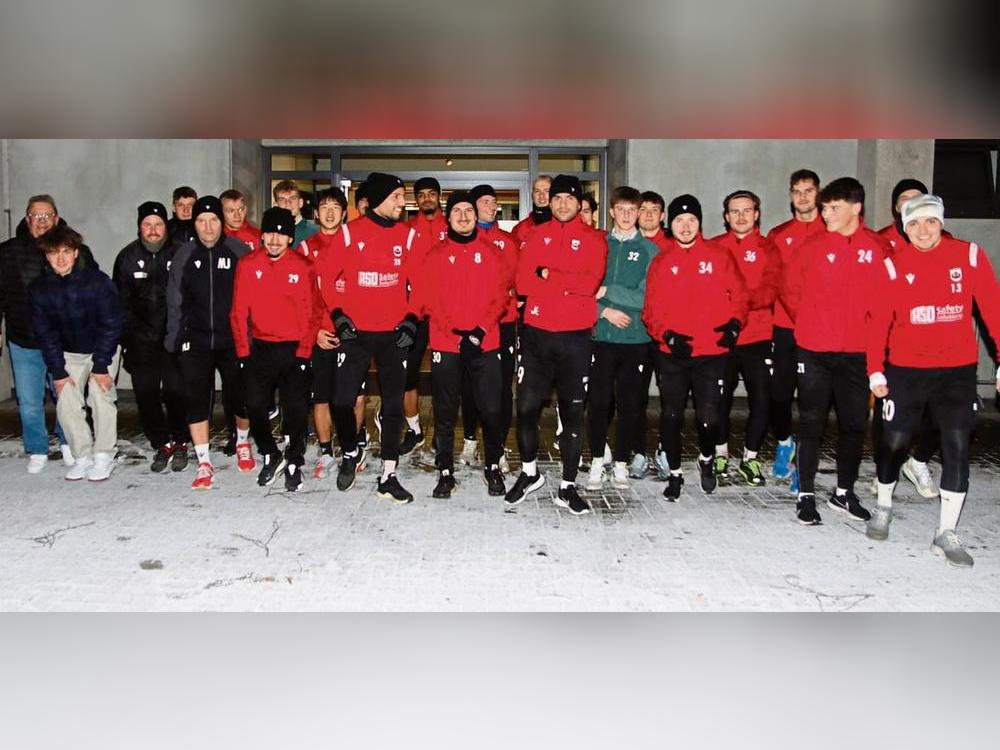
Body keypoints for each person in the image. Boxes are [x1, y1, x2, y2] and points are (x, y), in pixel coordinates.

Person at [866, 194, 1000, 567]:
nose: (923, 230)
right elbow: (878, 320)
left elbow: (993, 308)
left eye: (930, 222)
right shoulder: (893, 266)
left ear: (941, 222)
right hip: (906, 369)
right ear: (904, 227)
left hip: (956, 372)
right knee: (893, 442)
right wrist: (875, 368)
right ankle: (883, 504)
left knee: (957, 444)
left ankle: (946, 532)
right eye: (914, 224)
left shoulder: (968, 255)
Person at [781, 177, 887, 525]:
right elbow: (789, 290)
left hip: (857, 353)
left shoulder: (877, 247)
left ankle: (844, 492)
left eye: (834, 207)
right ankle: (806, 493)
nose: (826, 214)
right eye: (824, 208)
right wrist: (812, 322)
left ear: (856, 208)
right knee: (811, 422)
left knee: (854, 425)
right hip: (814, 350)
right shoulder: (811, 246)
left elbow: (887, 302)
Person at [505, 174, 608, 515]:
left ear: (580, 204)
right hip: (536, 335)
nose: (563, 204)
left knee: (573, 411)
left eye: (570, 199)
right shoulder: (535, 235)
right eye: (557, 198)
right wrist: (566, 282)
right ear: (549, 202)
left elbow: (589, 283)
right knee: (526, 407)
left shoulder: (594, 238)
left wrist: (547, 275)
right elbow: (521, 281)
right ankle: (530, 472)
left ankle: (567, 485)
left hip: (576, 337)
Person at [642, 194, 748, 500]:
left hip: (712, 352)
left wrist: (734, 325)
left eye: (691, 220)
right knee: (671, 416)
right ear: (670, 224)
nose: (685, 227)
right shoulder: (662, 261)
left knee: (708, 417)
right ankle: (674, 474)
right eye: (678, 221)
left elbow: (740, 295)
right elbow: (650, 310)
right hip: (673, 353)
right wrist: (667, 336)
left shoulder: (719, 255)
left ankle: (706, 458)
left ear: (699, 222)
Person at [411, 191, 513, 498]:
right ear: (449, 216)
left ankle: (493, 466)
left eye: (469, 210)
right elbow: (428, 299)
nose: (464, 216)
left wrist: (479, 332)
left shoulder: (493, 252)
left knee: (492, 409)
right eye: (458, 211)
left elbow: (501, 297)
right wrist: (456, 334)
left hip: (486, 342)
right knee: (444, 411)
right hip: (447, 343)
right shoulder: (435, 255)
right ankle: (445, 472)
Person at [324, 172, 418, 504]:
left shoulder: (407, 235)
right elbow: (325, 276)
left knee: (393, 405)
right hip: (357, 335)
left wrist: (411, 318)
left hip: (394, 336)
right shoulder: (350, 233)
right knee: (340, 401)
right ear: (379, 198)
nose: (402, 203)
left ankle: (388, 474)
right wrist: (337, 315)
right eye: (396, 197)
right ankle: (351, 452)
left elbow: (420, 283)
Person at [0, 194, 98, 473]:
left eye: (47, 215)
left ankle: (69, 442)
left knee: (67, 398)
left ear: (56, 218)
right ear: (27, 219)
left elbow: (91, 287)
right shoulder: (7, 252)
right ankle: (37, 449)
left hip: (64, 340)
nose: (41, 221)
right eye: (36, 215)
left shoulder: (77, 250)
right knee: (29, 401)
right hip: (24, 340)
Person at [165, 195, 253, 490]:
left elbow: (251, 300)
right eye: (201, 221)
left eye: (213, 219)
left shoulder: (239, 251)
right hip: (196, 339)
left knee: (239, 396)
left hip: (232, 339)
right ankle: (203, 461)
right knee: (196, 398)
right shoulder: (184, 255)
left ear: (222, 221)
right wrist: (174, 339)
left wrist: (250, 336)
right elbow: (174, 301)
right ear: (195, 223)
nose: (207, 226)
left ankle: (242, 442)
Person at [231, 207, 318, 492]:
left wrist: (305, 352)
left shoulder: (303, 266)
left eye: (282, 234)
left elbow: (313, 312)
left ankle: (294, 459)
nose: (275, 240)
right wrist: (244, 353)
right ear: (262, 236)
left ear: (290, 238)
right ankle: (270, 452)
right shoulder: (247, 264)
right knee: (254, 404)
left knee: (295, 409)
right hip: (260, 347)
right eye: (270, 233)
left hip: (294, 350)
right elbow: (238, 312)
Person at [30, 226, 123, 481]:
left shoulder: (98, 282)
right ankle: (83, 456)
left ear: (76, 253)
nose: (60, 258)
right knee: (66, 399)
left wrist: (101, 365)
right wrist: (58, 372)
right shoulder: (39, 289)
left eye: (66, 252)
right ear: (45, 256)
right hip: (68, 352)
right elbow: (45, 334)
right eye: (53, 253)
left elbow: (112, 324)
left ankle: (104, 455)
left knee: (99, 393)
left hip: (101, 348)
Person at [585, 186, 659, 492]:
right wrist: (604, 311)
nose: (627, 216)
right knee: (599, 402)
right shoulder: (597, 245)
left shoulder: (651, 251)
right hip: (601, 336)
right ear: (612, 211)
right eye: (622, 209)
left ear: (639, 213)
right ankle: (597, 460)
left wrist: (608, 292)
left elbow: (648, 297)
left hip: (635, 339)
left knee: (630, 405)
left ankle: (622, 464)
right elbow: (582, 288)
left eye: (633, 210)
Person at [871, 178, 941, 499]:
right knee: (888, 410)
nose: (909, 204)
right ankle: (883, 469)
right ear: (895, 207)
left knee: (941, 409)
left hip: (934, 341)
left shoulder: (944, 242)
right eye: (903, 199)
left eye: (917, 198)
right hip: (892, 342)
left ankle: (919, 460)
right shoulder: (881, 242)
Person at [709, 190, 782, 486]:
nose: (740, 216)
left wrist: (738, 300)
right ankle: (720, 453)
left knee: (762, 400)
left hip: (758, 335)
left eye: (746, 210)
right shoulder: (714, 247)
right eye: (734, 211)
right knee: (719, 399)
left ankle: (750, 458)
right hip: (721, 337)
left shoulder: (768, 248)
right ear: (726, 216)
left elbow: (771, 288)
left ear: (756, 214)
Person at [112, 201, 188, 472]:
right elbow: (120, 303)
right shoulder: (127, 257)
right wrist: (129, 339)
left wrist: (182, 334)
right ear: (139, 227)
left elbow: (188, 298)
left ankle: (181, 441)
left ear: (166, 226)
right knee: (146, 395)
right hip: (141, 341)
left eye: (158, 224)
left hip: (173, 340)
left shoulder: (181, 254)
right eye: (147, 225)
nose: (153, 230)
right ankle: (161, 443)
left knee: (176, 392)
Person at [302, 187, 370, 478]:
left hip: (354, 336)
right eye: (324, 207)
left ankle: (351, 449)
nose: (330, 212)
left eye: (336, 207)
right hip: (321, 335)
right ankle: (327, 451)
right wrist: (315, 330)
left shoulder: (359, 244)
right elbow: (301, 297)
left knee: (356, 398)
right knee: (321, 397)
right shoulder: (305, 248)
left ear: (345, 213)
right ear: (316, 213)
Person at [766, 169, 826, 487]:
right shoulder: (779, 234)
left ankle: (804, 468)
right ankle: (785, 441)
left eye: (808, 190)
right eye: (797, 191)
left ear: (819, 193)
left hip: (820, 329)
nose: (802, 197)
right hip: (785, 327)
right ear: (790, 195)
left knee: (811, 399)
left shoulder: (831, 231)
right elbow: (774, 282)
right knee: (778, 395)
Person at [458, 183, 519, 472]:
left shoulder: (507, 241)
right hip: (467, 325)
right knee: (469, 386)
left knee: (501, 389)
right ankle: (470, 441)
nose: (492, 206)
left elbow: (515, 282)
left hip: (502, 325)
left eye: (494, 202)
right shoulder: (460, 240)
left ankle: (498, 445)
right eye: (485, 201)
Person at [392, 176, 448, 456]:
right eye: (422, 195)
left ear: (439, 197)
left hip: (445, 316)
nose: (427, 198)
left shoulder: (451, 227)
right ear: (416, 200)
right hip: (415, 314)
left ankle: (443, 431)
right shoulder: (406, 230)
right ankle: (414, 430)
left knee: (444, 378)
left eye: (431, 194)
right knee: (407, 375)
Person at [633, 190, 671, 479]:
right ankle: (637, 452)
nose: (647, 214)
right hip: (634, 332)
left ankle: (666, 451)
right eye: (642, 208)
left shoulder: (673, 246)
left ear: (662, 215)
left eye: (653, 209)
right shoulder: (626, 244)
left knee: (671, 397)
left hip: (667, 334)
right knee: (635, 397)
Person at [272, 179, 319, 246]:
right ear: (275, 205)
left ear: (300, 203)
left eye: (292, 198)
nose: (288, 203)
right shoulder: (269, 235)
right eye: (282, 199)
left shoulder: (315, 233)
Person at [512, 174, 553, 245]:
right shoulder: (520, 229)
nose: (541, 195)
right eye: (537, 191)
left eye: (546, 191)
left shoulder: (563, 226)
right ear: (532, 195)